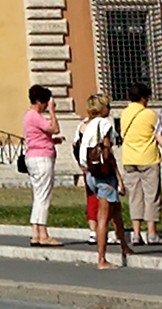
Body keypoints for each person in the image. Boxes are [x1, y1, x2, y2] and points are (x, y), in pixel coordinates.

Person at [79, 95, 123, 267]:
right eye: (107, 105)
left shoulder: (86, 125)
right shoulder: (105, 124)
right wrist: (118, 177)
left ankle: (124, 246)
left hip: (91, 173)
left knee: (116, 210)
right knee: (103, 216)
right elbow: (108, 152)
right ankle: (101, 259)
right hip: (104, 175)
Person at [121, 82, 160, 249]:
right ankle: (151, 233)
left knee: (135, 196)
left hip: (129, 159)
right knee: (151, 196)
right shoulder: (150, 114)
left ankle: (136, 234)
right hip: (148, 158)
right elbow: (157, 135)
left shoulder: (124, 113)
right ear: (144, 98)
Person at [24, 84, 61, 247]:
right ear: (39, 101)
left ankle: (36, 233)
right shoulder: (35, 116)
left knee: (38, 195)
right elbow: (54, 128)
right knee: (44, 196)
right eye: (45, 103)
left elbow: (38, 135)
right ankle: (43, 233)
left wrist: (52, 141)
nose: (46, 106)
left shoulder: (28, 116)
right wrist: (52, 111)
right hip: (42, 158)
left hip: (33, 156)